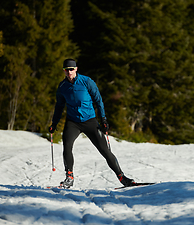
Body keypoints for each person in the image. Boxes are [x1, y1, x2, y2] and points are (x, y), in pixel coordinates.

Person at [49, 58, 136, 188]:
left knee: (105, 150)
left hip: (90, 121)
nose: (69, 72)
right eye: (66, 70)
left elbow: (98, 100)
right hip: (73, 122)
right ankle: (69, 177)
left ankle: (122, 178)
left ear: (76, 69)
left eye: (71, 69)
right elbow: (59, 106)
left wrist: (104, 120)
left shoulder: (86, 82)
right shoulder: (62, 87)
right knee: (67, 146)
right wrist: (54, 124)